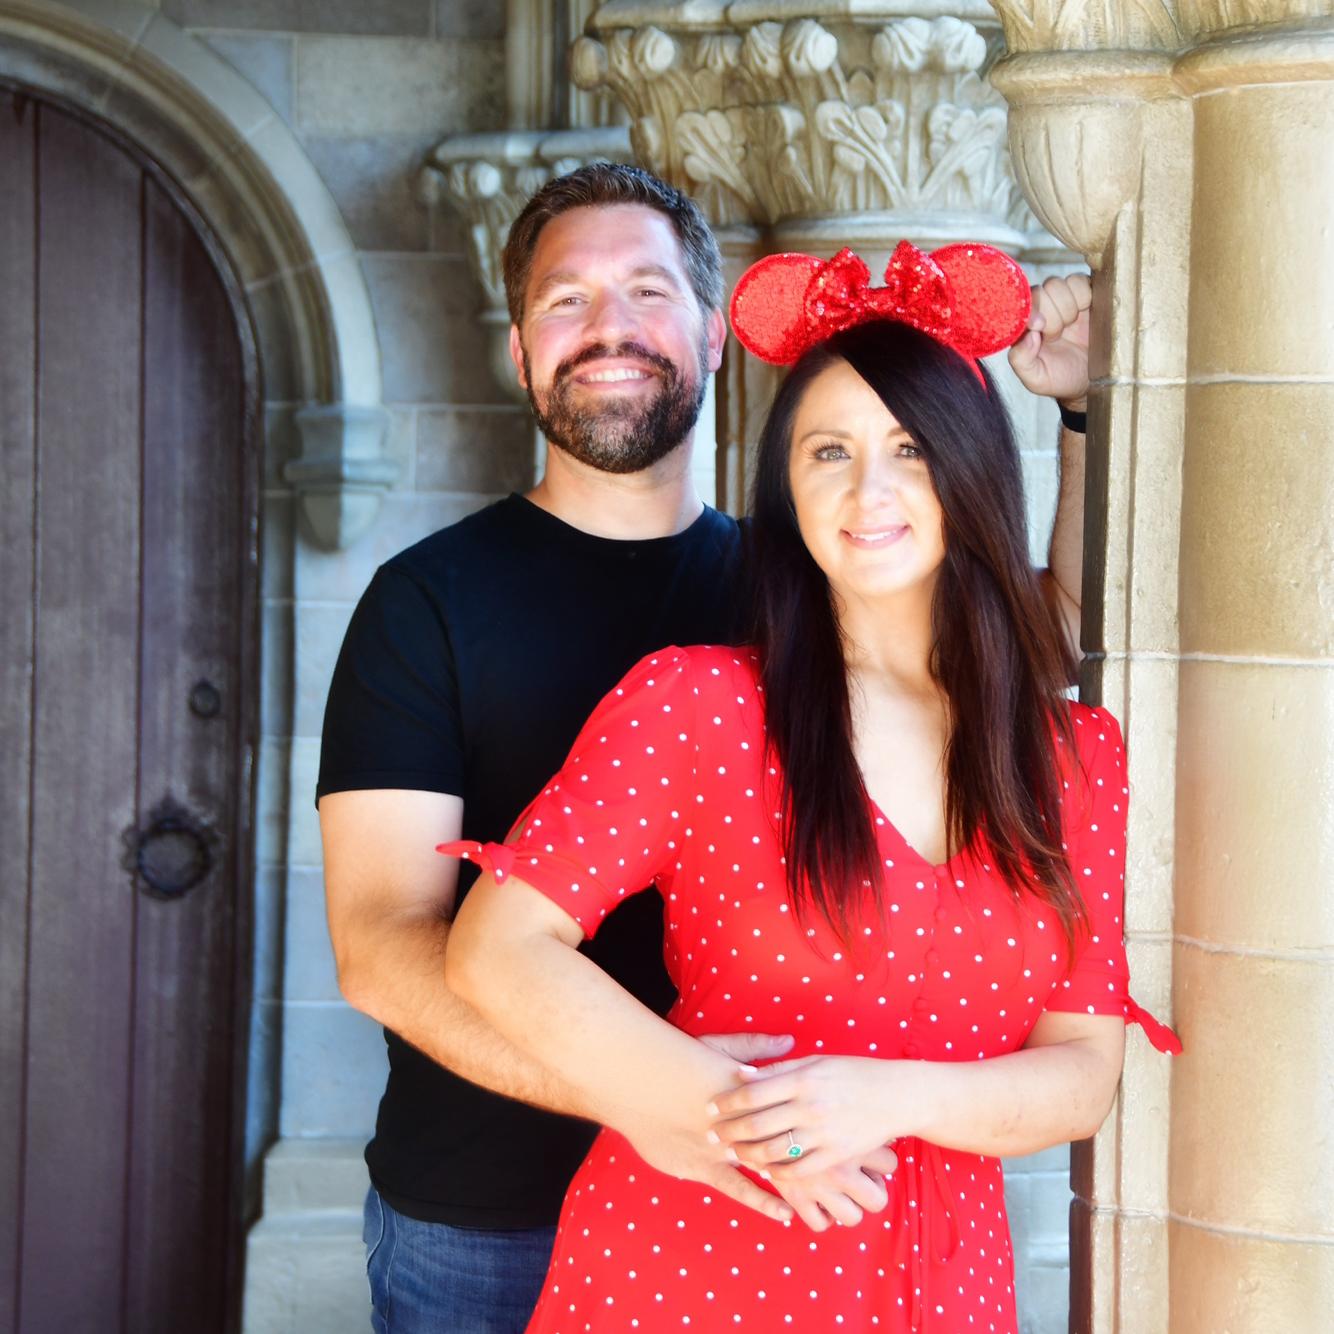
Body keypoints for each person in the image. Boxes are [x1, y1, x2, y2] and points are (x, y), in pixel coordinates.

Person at [319, 163, 1092, 1333]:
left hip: (781, 1203)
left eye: (645, 289)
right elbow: (383, 944)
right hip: (486, 1209)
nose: (607, 326)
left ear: (715, 336)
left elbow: (1041, 636)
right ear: (518, 351)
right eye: (564, 300)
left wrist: (1077, 419)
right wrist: (664, 1101)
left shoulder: (804, 582)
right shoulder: (425, 601)